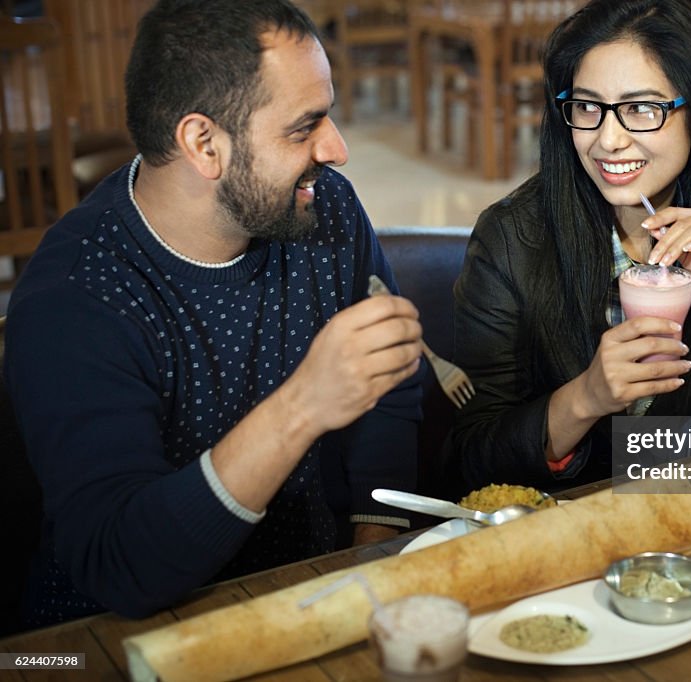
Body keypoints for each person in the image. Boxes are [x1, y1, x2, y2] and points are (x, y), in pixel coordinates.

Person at [3, 0, 424, 627]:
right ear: (204, 143)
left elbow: (392, 385)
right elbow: (119, 565)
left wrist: (371, 553)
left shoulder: (324, 208)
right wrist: (303, 405)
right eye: (303, 126)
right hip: (102, 639)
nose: (335, 149)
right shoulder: (78, 295)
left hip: (304, 599)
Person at [450, 0, 691, 491]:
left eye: (641, 109)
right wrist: (586, 397)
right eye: (587, 107)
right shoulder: (512, 238)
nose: (608, 140)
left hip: (680, 503)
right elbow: (467, 460)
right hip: (558, 522)